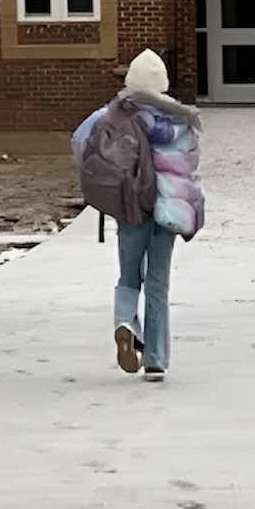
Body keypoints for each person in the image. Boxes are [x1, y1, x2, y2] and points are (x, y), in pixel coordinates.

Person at [72, 50, 204, 381]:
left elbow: (80, 143)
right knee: (158, 282)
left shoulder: (111, 115)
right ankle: (156, 359)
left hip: (130, 205)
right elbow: (191, 166)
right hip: (168, 209)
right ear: (163, 84)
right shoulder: (178, 119)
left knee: (129, 276)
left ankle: (125, 323)